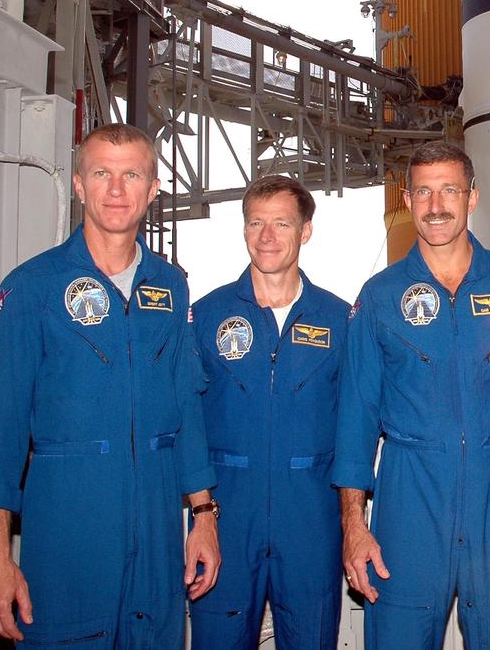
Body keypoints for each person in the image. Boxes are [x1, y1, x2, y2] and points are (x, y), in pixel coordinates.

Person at [0, 122, 219, 647]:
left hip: (156, 523)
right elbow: (1, 428)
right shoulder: (31, 287)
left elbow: (185, 409)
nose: (116, 189)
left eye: (132, 176)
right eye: (102, 173)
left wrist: (203, 515)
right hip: (67, 519)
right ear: (79, 184)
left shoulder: (170, 286)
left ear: (153, 190)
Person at [331, 140, 490, 649]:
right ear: (408, 200)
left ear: (472, 197)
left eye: (449, 190)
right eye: (424, 192)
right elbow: (356, 417)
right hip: (410, 496)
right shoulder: (382, 296)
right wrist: (354, 525)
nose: (436, 205)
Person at [189, 175, 349, 648]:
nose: (266, 237)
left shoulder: (339, 320)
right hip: (226, 516)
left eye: (281, 223)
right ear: (243, 229)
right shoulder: (207, 317)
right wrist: (201, 515)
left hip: (311, 520)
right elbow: (187, 421)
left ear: (306, 231)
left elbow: (355, 421)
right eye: (255, 223)